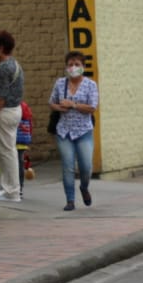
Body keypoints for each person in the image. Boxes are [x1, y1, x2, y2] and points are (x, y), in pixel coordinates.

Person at [49, 50, 99, 212]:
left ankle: (84, 187)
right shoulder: (60, 83)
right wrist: (59, 107)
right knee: (68, 165)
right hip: (64, 131)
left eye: (77, 64)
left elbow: (92, 107)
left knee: (86, 166)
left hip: (83, 131)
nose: (73, 67)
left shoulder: (90, 85)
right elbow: (52, 103)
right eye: (70, 64)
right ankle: (70, 200)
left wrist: (73, 105)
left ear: (83, 66)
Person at [0, 30, 25, 202]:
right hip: (14, 111)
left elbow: (0, 96)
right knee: (7, 151)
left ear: (1, 47)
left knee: (6, 152)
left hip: (4, 113)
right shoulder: (14, 64)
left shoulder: (3, 69)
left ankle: (12, 191)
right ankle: (7, 186)